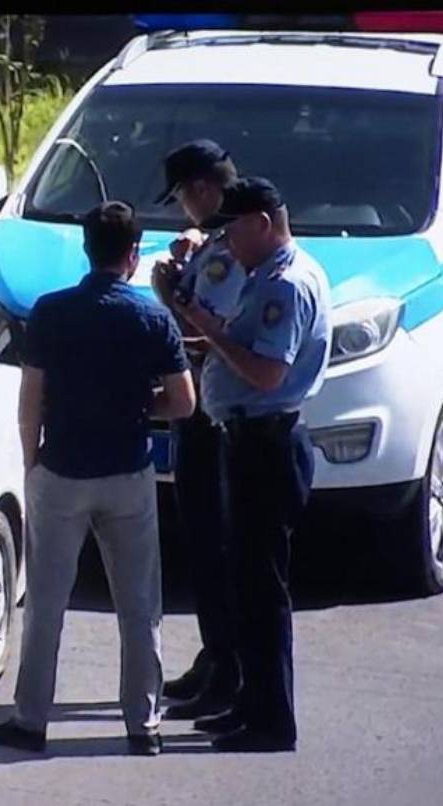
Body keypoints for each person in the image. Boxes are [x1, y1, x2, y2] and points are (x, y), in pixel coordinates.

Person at [0, 201, 196, 757]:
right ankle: (143, 724)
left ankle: (30, 720)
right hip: (128, 470)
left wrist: (32, 461)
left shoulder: (52, 313)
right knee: (139, 604)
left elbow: (31, 401)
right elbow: (184, 402)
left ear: (86, 249)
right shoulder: (153, 317)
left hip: (62, 470)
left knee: (47, 603)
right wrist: (134, 402)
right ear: (132, 255)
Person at [173, 177, 331, 752]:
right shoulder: (270, 275)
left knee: (263, 589)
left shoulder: (284, 286)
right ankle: (250, 704)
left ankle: (271, 719)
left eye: (233, 229)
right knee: (245, 580)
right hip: (250, 439)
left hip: (268, 443)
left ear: (262, 223)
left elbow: (267, 372)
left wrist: (209, 330)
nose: (227, 244)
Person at [149, 140, 249, 720]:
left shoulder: (228, 249)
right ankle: (217, 655)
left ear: (203, 189)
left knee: (216, 545)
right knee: (206, 545)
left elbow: (218, 335)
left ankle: (228, 667)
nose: (183, 208)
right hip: (212, 408)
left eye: (184, 195)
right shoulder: (221, 242)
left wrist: (172, 292)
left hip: (217, 415)